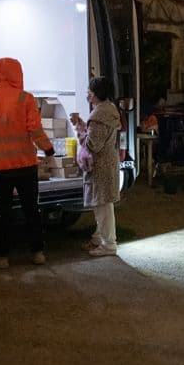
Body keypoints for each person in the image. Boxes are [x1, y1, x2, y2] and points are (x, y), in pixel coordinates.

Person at [0, 57, 55, 269]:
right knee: (31, 209)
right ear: (18, 73)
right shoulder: (25, 99)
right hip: (25, 165)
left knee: (1, 211)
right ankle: (38, 252)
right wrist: (47, 148)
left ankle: (1, 256)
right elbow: (34, 129)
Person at [72, 76, 121, 257]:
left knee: (102, 205)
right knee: (103, 204)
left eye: (90, 93)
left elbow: (93, 144)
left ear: (98, 94)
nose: (88, 96)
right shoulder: (109, 110)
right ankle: (99, 238)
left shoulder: (100, 115)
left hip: (101, 166)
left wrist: (80, 129)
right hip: (108, 163)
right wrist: (85, 125)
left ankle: (109, 245)